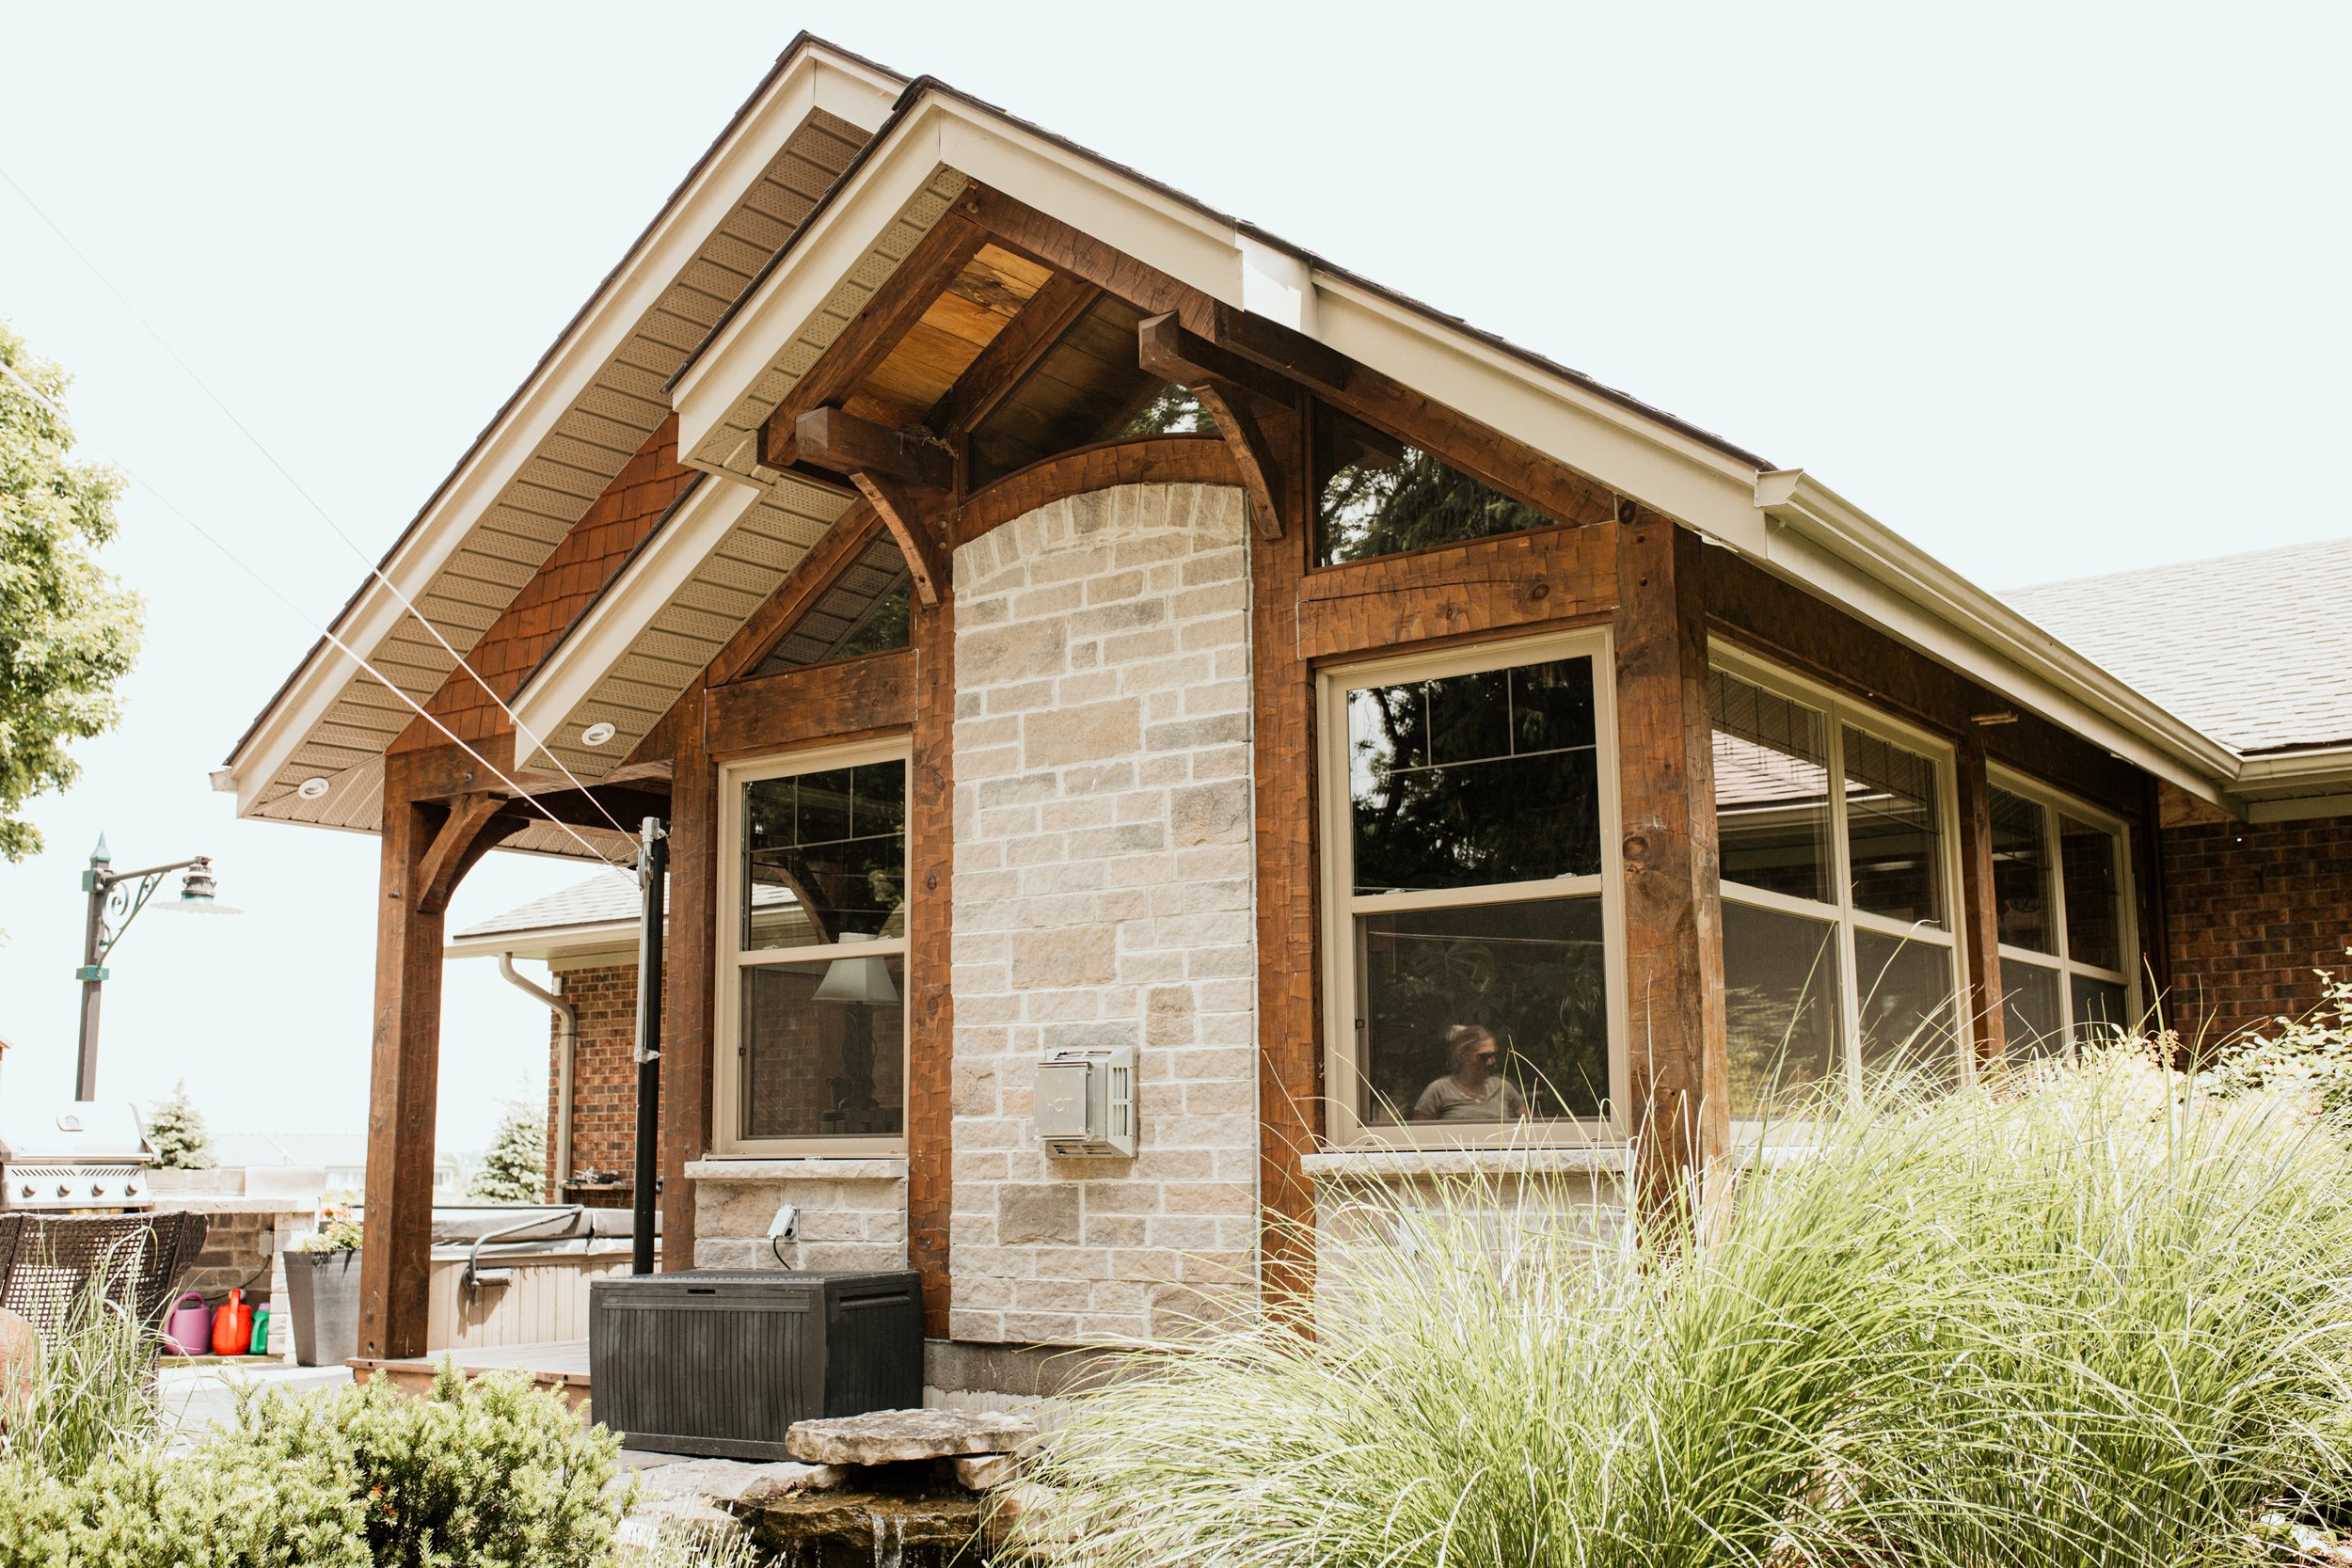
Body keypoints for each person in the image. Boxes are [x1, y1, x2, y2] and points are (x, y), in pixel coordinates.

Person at [1411, 1025, 1528, 1123]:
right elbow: (1419, 1134)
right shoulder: (1439, 1090)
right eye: (1483, 1057)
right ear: (1462, 1056)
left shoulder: (1503, 1088)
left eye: (1493, 1055)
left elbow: (1528, 1130)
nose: (1491, 1062)